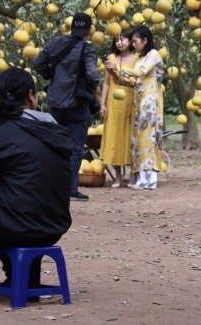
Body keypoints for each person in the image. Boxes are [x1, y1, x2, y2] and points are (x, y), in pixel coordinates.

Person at [0, 68, 73, 302]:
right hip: (53, 227)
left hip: (15, 226)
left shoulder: (0, 133)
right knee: (12, 194)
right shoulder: (54, 130)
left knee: (0, 205)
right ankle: (23, 279)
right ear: (31, 95)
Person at [34, 12, 100, 202]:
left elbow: (38, 63)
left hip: (55, 102)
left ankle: (49, 187)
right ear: (88, 30)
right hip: (77, 104)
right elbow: (93, 75)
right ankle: (70, 190)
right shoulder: (88, 49)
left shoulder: (55, 43)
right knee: (76, 148)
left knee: (53, 146)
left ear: (72, 27)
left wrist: (51, 75)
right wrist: (91, 86)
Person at [106, 26, 163, 190]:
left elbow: (139, 73)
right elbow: (132, 81)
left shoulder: (153, 55)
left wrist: (119, 67)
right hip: (139, 102)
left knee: (149, 137)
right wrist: (115, 74)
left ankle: (150, 179)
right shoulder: (142, 57)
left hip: (151, 101)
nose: (133, 44)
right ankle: (141, 178)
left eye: (135, 41)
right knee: (139, 139)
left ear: (145, 40)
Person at [100, 30, 136, 187]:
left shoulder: (137, 59)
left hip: (130, 100)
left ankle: (133, 175)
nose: (119, 43)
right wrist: (102, 103)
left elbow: (136, 81)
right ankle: (118, 176)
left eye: (122, 39)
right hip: (113, 103)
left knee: (129, 136)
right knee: (115, 137)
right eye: (116, 40)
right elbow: (107, 82)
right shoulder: (111, 58)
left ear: (130, 41)